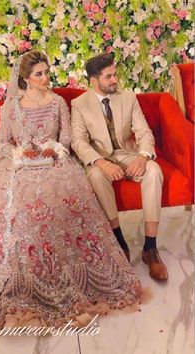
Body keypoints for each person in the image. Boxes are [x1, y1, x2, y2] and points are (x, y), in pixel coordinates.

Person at [0, 50, 143, 340]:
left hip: (56, 163)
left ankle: (72, 277)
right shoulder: (12, 108)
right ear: (25, 79)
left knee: (64, 198)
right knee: (17, 204)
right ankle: (20, 281)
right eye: (39, 74)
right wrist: (22, 152)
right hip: (19, 165)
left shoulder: (58, 102)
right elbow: (2, 143)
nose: (46, 78)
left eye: (47, 72)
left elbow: (67, 140)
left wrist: (53, 149)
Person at [71, 53, 168, 282]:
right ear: (94, 81)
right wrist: (101, 162)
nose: (115, 80)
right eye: (109, 77)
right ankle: (120, 243)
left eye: (115, 75)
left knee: (154, 170)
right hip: (99, 158)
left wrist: (143, 157)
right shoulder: (79, 104)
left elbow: (143, 132)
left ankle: (150, 248)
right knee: (95, 175)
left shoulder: (128, 98)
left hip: (127, 154)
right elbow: (78, 141)